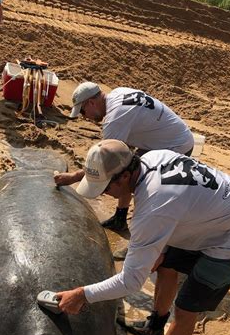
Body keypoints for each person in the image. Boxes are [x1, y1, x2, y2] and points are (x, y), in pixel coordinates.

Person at [55, 140, 230, 335]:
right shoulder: (153, 156)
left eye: (105, 188)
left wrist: (82, 295)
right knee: (164, 264)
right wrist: (160, 250)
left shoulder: (154, 209)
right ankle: (155, 324)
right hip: (207, 216)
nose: (104, 194)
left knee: (186, 309)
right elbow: (182, 201)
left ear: (124, 176)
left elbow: (130, 282)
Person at [54, 83, 194, 233]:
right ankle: (120, 218)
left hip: (176, 146)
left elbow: (105, 164)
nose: (84, 117)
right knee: (126, 169)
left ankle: (145, 239)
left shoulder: (115, 119)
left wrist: (73, 177)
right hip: (168, 137)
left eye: (82, 111)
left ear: (91, 103)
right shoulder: (118, 93)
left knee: (143, 186)